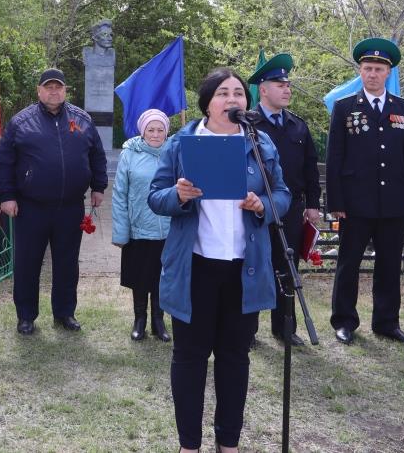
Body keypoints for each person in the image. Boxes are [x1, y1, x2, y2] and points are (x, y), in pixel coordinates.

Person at [148, 68, 291, 453]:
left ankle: (228, 443)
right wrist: (178, 195)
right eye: (224, 93)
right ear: (208, 102)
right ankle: (189, 446)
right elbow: (156, 196)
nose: (234, 100)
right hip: (195, 268)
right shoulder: (182, 143)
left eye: (240, 94)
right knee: (190, 357)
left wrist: (263, 204)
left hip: (244, 269)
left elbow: (283, 194)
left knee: (234, 358)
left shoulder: (260, 144)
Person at [0, 67, 108, 335]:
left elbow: (97, 156)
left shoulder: (82, 120)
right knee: (27, 263)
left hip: (70, 207)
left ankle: (65, 313)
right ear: (39, 90)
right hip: (31, 207)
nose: (54, 91)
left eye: (58, 87)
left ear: (65, 90)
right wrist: (7, 196)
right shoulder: (21, 122)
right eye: (49, 87)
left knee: (67, 263)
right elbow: (4, 162)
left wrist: (99, 186)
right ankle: (26, 316)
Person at [327, 38, 404, 346]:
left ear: (388, 72)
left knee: (388, 265)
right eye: (367, 68)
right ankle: (344, 321)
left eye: (379, 69)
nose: (372, 73)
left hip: (394, 202)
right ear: (360, 71)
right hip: (355, 203)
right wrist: (336, 201)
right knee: (348, 264)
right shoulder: (344, 108)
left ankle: (386, 323)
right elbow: (334, 158)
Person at [248, 53, 321, 346]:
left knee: (287, 268)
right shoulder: (248, 124)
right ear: (263, 89)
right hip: (253, 207)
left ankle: (285, 327)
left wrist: (313, 205)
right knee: (252, 266)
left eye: (288, 84)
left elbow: (310, 169)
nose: (287, 89)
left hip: (289, 209)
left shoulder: (298, 126)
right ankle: (248, 330)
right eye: (280, 84)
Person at [112, 108, 172, 342]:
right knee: (140, 276)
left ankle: (159, 320)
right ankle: (140, 320)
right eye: (151, 129)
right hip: (139, 227)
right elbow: (119, 194)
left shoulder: (173, 152)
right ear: (142, 131)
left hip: (167, 228)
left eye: (160, 130)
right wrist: (120, 230)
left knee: (161, 277)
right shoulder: (130, 153)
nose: (155, 134)